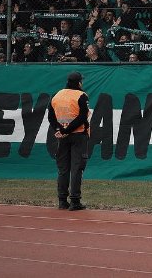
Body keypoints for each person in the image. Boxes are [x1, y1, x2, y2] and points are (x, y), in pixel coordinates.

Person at [49, 71, 90, 211]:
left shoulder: (57, 95)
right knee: (77, 168)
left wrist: (59, 130)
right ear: (79, 83)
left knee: (63, 169)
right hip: (78, 135)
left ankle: (62, 200)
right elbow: (82, 118)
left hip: (62, 137)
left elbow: (51, 117)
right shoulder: (81, 96)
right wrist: (68, 130)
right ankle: (75, 201)